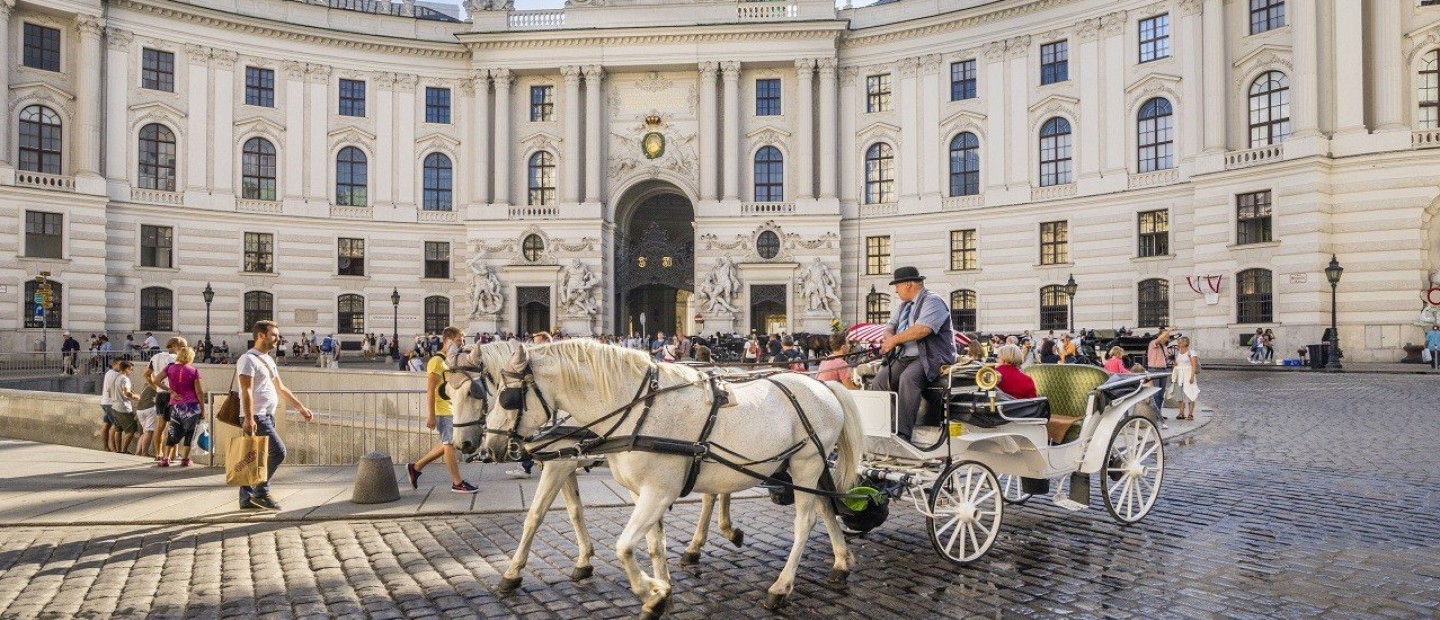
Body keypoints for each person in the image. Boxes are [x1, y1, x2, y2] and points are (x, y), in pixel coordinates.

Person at [868, 266, 958, 442]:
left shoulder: (933, 301)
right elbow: (889, 327)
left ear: (909, 284)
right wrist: (888, 338)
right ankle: (885, 427)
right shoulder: (904, 306)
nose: (895, 290)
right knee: (879, 381)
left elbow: (923, 329)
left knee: (908, 379)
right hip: (904, 357)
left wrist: (894, 340)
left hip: (930, 357)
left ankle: (903, 433)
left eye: (897, 286)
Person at [236, 320, 315, 511]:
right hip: (256, 415)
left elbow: (280, 388)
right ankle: (261, 493)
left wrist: (301, 407)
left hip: (266, 415)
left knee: (253, 456)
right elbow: (245, 390)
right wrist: (249, 417)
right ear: (260, 336)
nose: (277, 339)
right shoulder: (247, 360)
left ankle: (246, 499)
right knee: (278, 451)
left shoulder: (268, 360)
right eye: (274, 335)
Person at [407, 327, 479, 494]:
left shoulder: (448, 361)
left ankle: (416, 467)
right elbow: (430, 389)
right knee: (449, 444)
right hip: (442, 410)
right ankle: (457, 482)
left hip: (450, 408)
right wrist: (431, 415)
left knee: (449, 443)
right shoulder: (436, 361)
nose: (461, 344)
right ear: (448, 340)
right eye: (458, 341)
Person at [509, 331, 554, 478]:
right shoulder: (541, 358)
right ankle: (525, 466)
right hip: (540, 405)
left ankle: (525, 467)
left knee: (530, 434)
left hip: (545, 405)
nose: (534, 345)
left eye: (537, 342)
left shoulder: (548, 359)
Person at [159, 346, 204, 467]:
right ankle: (185, 459)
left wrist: (171, 391)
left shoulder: (170, 368)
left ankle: (166, 459)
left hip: (176, 405)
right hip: (192, 406)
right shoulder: (194, 370)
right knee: (190, 432)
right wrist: (203, 409)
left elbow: (156, 380)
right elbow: (199, 392)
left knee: (173, 431)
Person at [144, 338, 185, 459]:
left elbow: (146, 374)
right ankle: (173, 455)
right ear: (175, 346)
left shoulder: (155, 357)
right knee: (175, 425)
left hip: (160, 394)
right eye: (183, 347)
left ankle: (158, 453)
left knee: (160, 426)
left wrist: (155, 387)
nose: (185, 350)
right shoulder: (174, 359)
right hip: (172, 394)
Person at [107, 360, 142, 453]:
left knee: (118, 429)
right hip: (124, 408)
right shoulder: (125, 379)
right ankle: (124, 450)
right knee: (131, 429)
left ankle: (118, 450)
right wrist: (136, 397)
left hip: (115, 406)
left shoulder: (115, 377)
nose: (131, 372)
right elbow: (127, 392)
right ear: (126, 369)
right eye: (131, 369)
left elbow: (109, 391)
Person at [1145, 328, 1173, 415]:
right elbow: (1159, 340)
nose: (1167, 338)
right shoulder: (1153, 343)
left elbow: (1166, 359)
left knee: (1161, 394)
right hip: (1154, 370)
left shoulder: (1164, 347)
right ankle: (1154, 414)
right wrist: (1169, 330)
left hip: (1163, 371)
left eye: (1168, 337)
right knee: (1155, 394)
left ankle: (1158, 413)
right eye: (1165, 336)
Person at [1172, 336, 1199, 421]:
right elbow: (1178, 363)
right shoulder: (1178, 352)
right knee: (1179, 394)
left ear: (1184, 343)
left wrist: (1192, 377)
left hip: (1188, 374)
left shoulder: (1191, 352)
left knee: (1191, 394)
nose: (1178, 344)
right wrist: (1175, 365)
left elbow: (1194, 365)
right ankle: (1181, 413)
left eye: (1179, 342)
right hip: (1179, 375)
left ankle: (1190, 413)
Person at [98, 358, 122, 452]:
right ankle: (114, 449)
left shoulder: (108, 373)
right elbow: (113, 391)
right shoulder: (115, 375)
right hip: (111, 404)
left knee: (107, 425)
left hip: (105, 402)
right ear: (115, 364)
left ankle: (106, 447)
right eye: (120, 364)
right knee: (116, 426)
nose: (121, 367)